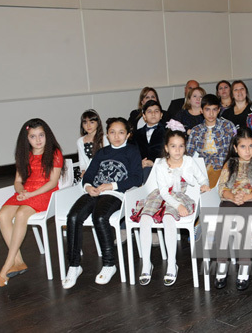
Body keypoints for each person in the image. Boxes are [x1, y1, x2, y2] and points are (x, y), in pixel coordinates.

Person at [62, 117, 142, 289]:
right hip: (95, 192)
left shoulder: (132, 151)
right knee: (74, 217)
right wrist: (89, 186)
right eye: (112, 132)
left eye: (121, 132)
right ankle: (74, 266)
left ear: (128, 135)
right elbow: (88, 175)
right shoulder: (102, 152)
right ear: (107, 134)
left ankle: (109, 264)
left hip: (116, 193)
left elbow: (137, 178)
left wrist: (111, 185)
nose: (116, 136)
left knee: (100, 217)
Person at [131, 122, 210, 287]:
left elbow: (202, 178)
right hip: (161, 195)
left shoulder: (188, 161)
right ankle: (147, 263)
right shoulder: (160, 165)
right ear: (166, 148)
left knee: (168, 219)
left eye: (181, 146)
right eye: (173, 146)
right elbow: (164, 192)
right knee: (145, 219)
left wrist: (204, 185)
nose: (177, 150)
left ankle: (172, 263)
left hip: (180, 196)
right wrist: (177, 205)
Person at [0, 118, 64, 287]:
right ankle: (18, 260)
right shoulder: (24, 154)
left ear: (47, 135)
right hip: (27, 192)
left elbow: (53, 183)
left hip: (45, 192)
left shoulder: (55, 153)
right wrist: (21, 192)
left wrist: (31, 194)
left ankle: (6, 265)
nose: (38, 140)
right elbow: (18, 181)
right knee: (3, 215)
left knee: (21, 214)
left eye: (41, 135)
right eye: (33, 136)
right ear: (26, 139)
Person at [214, 127, 252, 291]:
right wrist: (233, 197)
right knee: (224, 216)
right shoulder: (230, 164)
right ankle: (221, 265)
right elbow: (221, 187)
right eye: (243, 146)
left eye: (250, 146)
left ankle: (244, 266)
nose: (247, 151)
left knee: (244, 219)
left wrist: (246, 197)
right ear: (235, 148)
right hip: (232, 198)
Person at [187, 94, 236, 188]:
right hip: (203, 168)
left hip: (224, 166)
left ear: (219, 110)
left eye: (214, 109)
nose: (211, 113)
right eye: (207, 109)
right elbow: (188, 153)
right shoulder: (196, 130)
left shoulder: (227, 126)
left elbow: (235, 149)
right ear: (201, 110)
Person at [131, 100, 166, 182]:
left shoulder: (168, 132)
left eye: (156, 111)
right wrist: (140, 163)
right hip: (141, 167)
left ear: (161, 115)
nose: (153, 114)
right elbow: (133, 152)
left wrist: (154, 163)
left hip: (161, 167)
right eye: (149, 111)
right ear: (144, 116)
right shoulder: (136, 134)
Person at [77, 109, 109, 179]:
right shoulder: (80, 141)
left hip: (104, 171)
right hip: (89, 172)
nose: (88, 126)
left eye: (92, 122)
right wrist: (83, 170)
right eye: (85, 123)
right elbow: (82, 161)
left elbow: (108, 158)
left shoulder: (104, 138)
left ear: (98, 123)